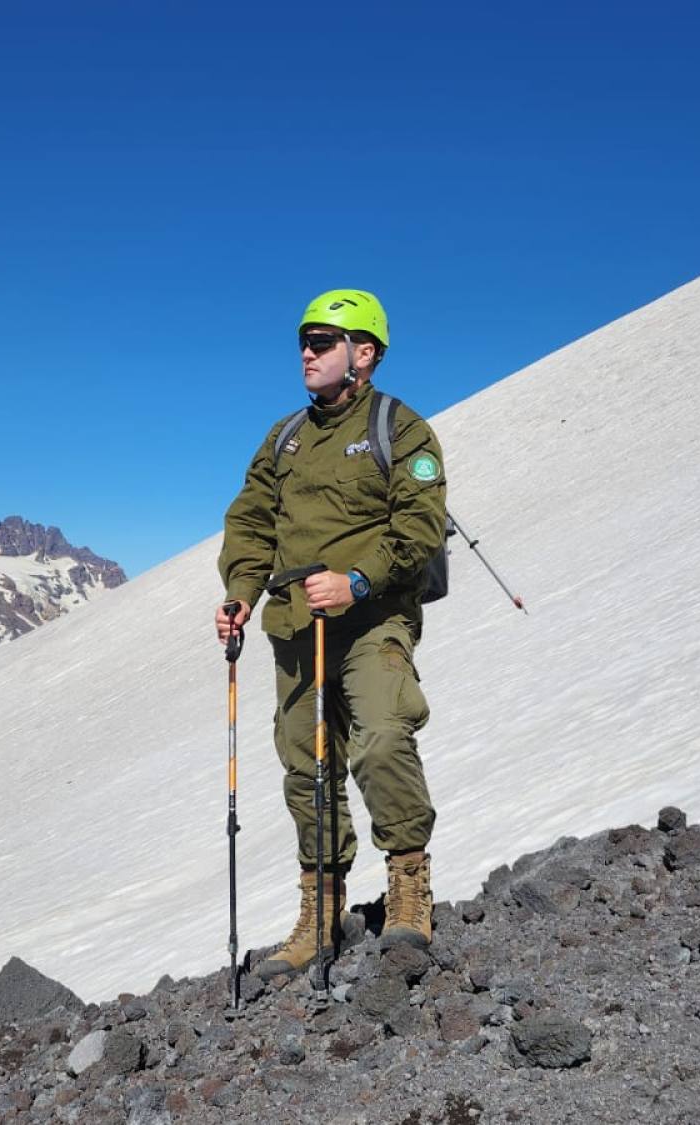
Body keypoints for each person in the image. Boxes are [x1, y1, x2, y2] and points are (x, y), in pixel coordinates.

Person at [215, 288, 448, 976]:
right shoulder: (284, 438)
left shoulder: (400, 429)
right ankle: (322, 912)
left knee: (380, 740)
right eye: (304, 342)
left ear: (364, 353)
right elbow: (253, 522)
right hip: (296, 625)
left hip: (374, 620)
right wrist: (240, 591)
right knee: (306, 769)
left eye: (323, 341)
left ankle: (409, 888)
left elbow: (419, 524)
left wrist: (357, 580)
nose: (307, 353)